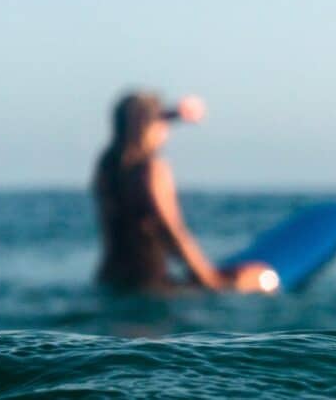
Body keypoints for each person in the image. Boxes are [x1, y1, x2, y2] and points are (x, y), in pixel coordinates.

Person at [92, 91, 276, 294]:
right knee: (262, 276)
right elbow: (171, 230)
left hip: (109, 280)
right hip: (151, 285)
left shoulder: (108, 166)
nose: (166, 130)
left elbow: (136, 120)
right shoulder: (152, 170)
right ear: (148, 127)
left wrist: (177, 113)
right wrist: (210, 279)